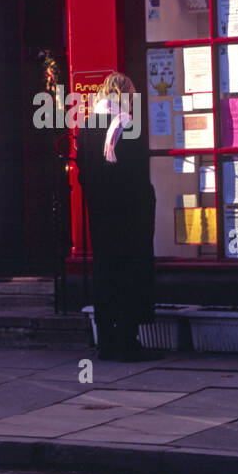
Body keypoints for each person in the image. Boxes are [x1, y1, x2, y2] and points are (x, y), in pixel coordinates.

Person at [75, 71, 161, 362]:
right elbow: (137, 177)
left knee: (105, 274)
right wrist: (147, 203)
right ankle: (128, 342)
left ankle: (108, 343)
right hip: (128, 217)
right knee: (130, 275)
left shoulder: (87, 127)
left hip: (100, 215)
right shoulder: (128, 126)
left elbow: (82, 174)